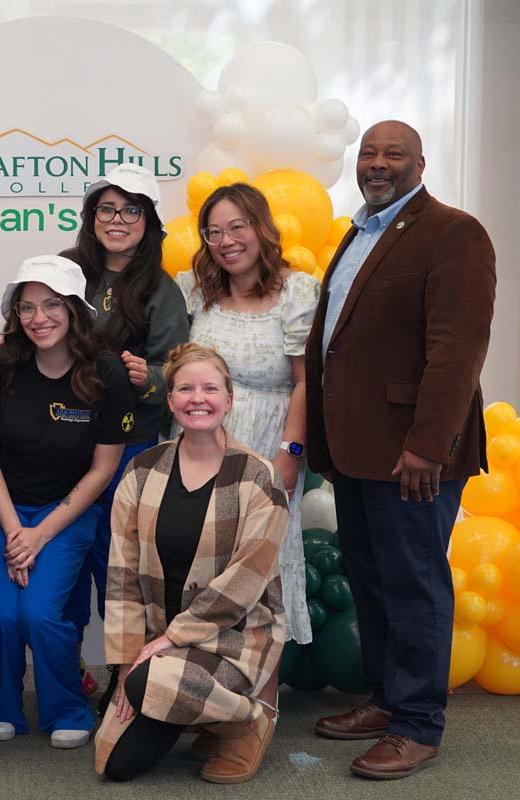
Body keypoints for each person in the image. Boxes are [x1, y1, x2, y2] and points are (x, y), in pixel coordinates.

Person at [304, 120, 496, 779]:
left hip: (413, 455)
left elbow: (456, 352)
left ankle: (418, 726)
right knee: (373, 580)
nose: (378, 163)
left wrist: (427, 447)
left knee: (415, 585)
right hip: (358, 451)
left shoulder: (453, 232)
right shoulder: (360, 231)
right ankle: (387, 700)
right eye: (369, 153)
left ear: (420, 162)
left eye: (393, 154)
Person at [94, 343, 286, 784]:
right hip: (161, 646)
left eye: (210, 388)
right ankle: (200, 714)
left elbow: (244, 584)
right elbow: (121, 577)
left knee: (150, 686)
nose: (198, 398)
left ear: (229, 399)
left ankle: (250, 718)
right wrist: (127, 662)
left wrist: (168, 641)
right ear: (170, 400)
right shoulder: (141, 471)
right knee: (114, 764)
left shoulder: (259, 477)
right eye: (185, 388)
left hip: (233, 640)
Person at [174, 182, 319, 744]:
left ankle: (262, 708)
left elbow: (308, 381)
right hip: (200, 445)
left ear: (261, 228)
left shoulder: (296, 293)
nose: (226, 240)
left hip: (269, 446)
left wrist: (292, 452)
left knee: (264, 575)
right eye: (214, 230)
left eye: (237, 227)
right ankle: (206, 701)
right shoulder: (193, 292)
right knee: (203, 571)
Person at [0, 256, 134, 749]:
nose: (39, 318)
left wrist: (40, 534)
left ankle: (67, 706)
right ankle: (6, 702)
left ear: (74, 310)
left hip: (70, 513)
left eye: (51, 305)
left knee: (40, 613)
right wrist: (15, 530)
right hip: (4, 509)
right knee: (0, 613)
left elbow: (103, 470)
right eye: (27, 307)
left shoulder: (107, 371)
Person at [60, 164, 189, 682]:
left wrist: (147, 375)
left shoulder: (162, 289)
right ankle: (66, 672)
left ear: (149, 221)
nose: (118, 220)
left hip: (132, 451)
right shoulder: (65, 269)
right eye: (107, 209)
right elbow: (34, 328)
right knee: (63, 568)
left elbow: (177, 369)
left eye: (131, 210)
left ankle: (125, 680)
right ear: (92, 218)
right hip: (62, 445)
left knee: (121, 571)